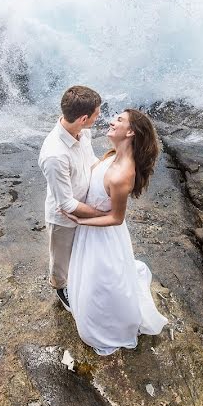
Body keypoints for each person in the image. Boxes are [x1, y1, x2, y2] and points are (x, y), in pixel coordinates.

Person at [63, 109, 169, 355]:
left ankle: (110, 326)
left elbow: (116, 218)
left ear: (130, 132)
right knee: (90, 280)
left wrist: (80, 221)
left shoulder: (122, 174)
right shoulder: (113, 155)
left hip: (103, 236)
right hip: (91, 231)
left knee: (101, 283)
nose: (112, 121)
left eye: (119, 120)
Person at [38, 85, 106, 311]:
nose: (99, 117)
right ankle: (60, 287)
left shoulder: (83, 132)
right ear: (84, 118)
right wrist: (102, 214)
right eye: (97, 113)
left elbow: (91, 160)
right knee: (61, 259)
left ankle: (77, 280)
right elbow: (66, 204)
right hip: (64, 218)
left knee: (81, 252)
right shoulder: (54, 155)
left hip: (84, 205)